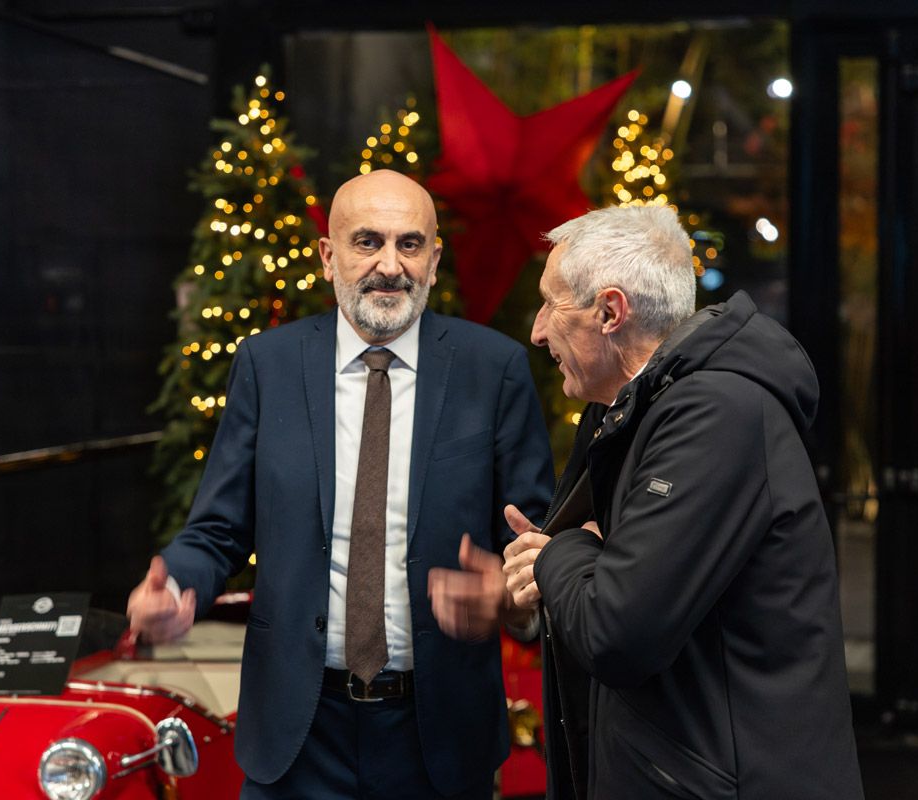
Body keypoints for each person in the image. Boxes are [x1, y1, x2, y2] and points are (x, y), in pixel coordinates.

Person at [127, 169, 554, 800]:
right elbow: (218, 527)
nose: (390, 265)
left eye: (410, 244)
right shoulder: (267, 365)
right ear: (329, 257)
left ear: (435, 260)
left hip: (440, 731)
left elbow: (533, 539)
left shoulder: (494, 369)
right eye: (367, 242)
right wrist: (174, 586)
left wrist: (512, 595)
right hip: (298, 729)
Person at [502, 205, 864, 800]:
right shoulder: (626, 407)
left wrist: (556, 554)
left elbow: (617, 634)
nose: (538, 331)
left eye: (551, 304)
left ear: (610, 312)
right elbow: (600, 594)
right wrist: (561, 565)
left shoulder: (716, 414)